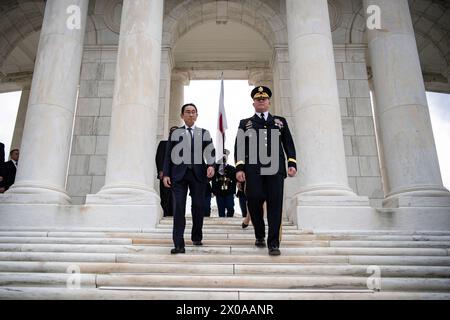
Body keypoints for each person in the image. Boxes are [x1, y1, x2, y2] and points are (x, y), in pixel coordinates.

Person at [234, 86, 297, 256]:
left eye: (264, 99)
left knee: (275, 205)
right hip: (253, 170)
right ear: (253, 103)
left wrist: (292, 162)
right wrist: (239, 167)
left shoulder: (280, 122)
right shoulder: (245, 123)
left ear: (269, 102)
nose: (261, 101)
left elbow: (288, 143)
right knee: (253, 201)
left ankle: (274, 243)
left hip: (275, 169)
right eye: (258, 99)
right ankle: (259, 234)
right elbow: (239, 146)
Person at [163, 103, 215, 254]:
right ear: (182, 115)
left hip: (198, 175)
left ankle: (196, 236)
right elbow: (168, 155)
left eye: (193, 112)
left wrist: (211, 165)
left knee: (199, 207)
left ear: (197, 115)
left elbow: (210, 152)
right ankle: (178, 244)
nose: (190, 114)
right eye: (187, 112)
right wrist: (166, 174)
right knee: (179, 207)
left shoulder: (204, 133)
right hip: (178, 175)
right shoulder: (175, 134)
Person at [156, 126, 178, 217]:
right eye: (172, 132)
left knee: (176, 196)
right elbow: (159, 158)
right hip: (165, 174)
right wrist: (161, 171)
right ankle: (165, 214)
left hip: (177, 175)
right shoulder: (163, 143)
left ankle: (174, 214)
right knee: (165, 195)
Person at [212, 152, 236, 218]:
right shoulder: (216, 169)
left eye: (225, 156)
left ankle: (229, 220)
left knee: (230, 207)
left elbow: (235, 181)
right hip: (219, 192)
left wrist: (234, 191)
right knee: (221, 210)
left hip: (229, 192)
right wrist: (213, 191)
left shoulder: (232, 169)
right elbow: (213, 181)